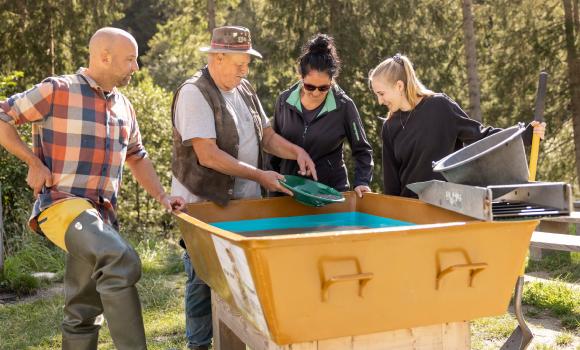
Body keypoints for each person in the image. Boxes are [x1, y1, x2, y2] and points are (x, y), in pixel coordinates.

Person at [0, 27, 185, 350]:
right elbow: (3, 116)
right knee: (119, 258)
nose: (136, 68)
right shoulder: (57, 90)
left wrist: (163, 196)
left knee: (83, 309)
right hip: (61, 205)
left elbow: (137, 156)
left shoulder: (125, 106)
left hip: (99, 216)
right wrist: (32, 161)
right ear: (104, 57)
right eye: (131, 59)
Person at [170, 26, 317, 350]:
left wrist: (296, 151)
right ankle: (199, 345)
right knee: (202, 279)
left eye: (247, 63)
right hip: (205, 204)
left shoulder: (244, 88)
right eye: (239, 63)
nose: (244, 70)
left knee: (240, 281)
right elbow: (207, 155)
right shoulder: (195, 92)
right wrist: (261, 176)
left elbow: (265, 136)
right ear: (217, 57)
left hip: (243, 203)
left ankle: (236, 341)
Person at [368, 53, 546, 198]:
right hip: (411, 214)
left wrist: (524, 135)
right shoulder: (390, 127)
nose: (379, 100)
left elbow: (481, 136)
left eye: (381, 93)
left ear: (399, 86)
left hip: (448, 207)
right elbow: (391, 185)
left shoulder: (440, 107)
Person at [270, 34, 373, 196]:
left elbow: (362, 151)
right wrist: (272, 189)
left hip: (330, 194)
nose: (316, 93)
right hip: (287, 193)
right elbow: (272, 147)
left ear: (332, 81)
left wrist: (362, 182)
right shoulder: (284, 101)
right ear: (301, 78)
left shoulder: (344, 106)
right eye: (310, 87)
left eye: (323, 88)